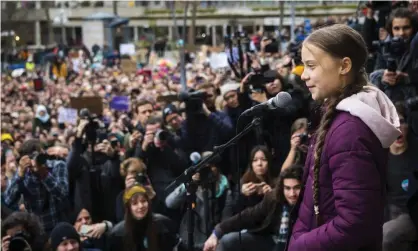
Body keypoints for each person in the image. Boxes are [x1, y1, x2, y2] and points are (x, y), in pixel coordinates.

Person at [286, 24, 401, 250]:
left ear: (344, 65)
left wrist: (300, 245)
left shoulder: (349, 131)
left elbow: (354, 223)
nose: (304, 75)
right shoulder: (341, 121)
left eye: (311, 66)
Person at [203, 165, 303, 251]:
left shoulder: (310, 203)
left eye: (297, 188)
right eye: (288, 188)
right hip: (273, 240)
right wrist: (216, 233)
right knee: (227, 240)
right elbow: (249, 215)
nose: (292, 194)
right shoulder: (274, 198)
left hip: (298, 245)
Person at [107, 184, 178, 251]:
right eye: (135, 203)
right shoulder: (118, 233)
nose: (141, 206)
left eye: (143, 201)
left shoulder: (163, 224)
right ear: (128, 208)